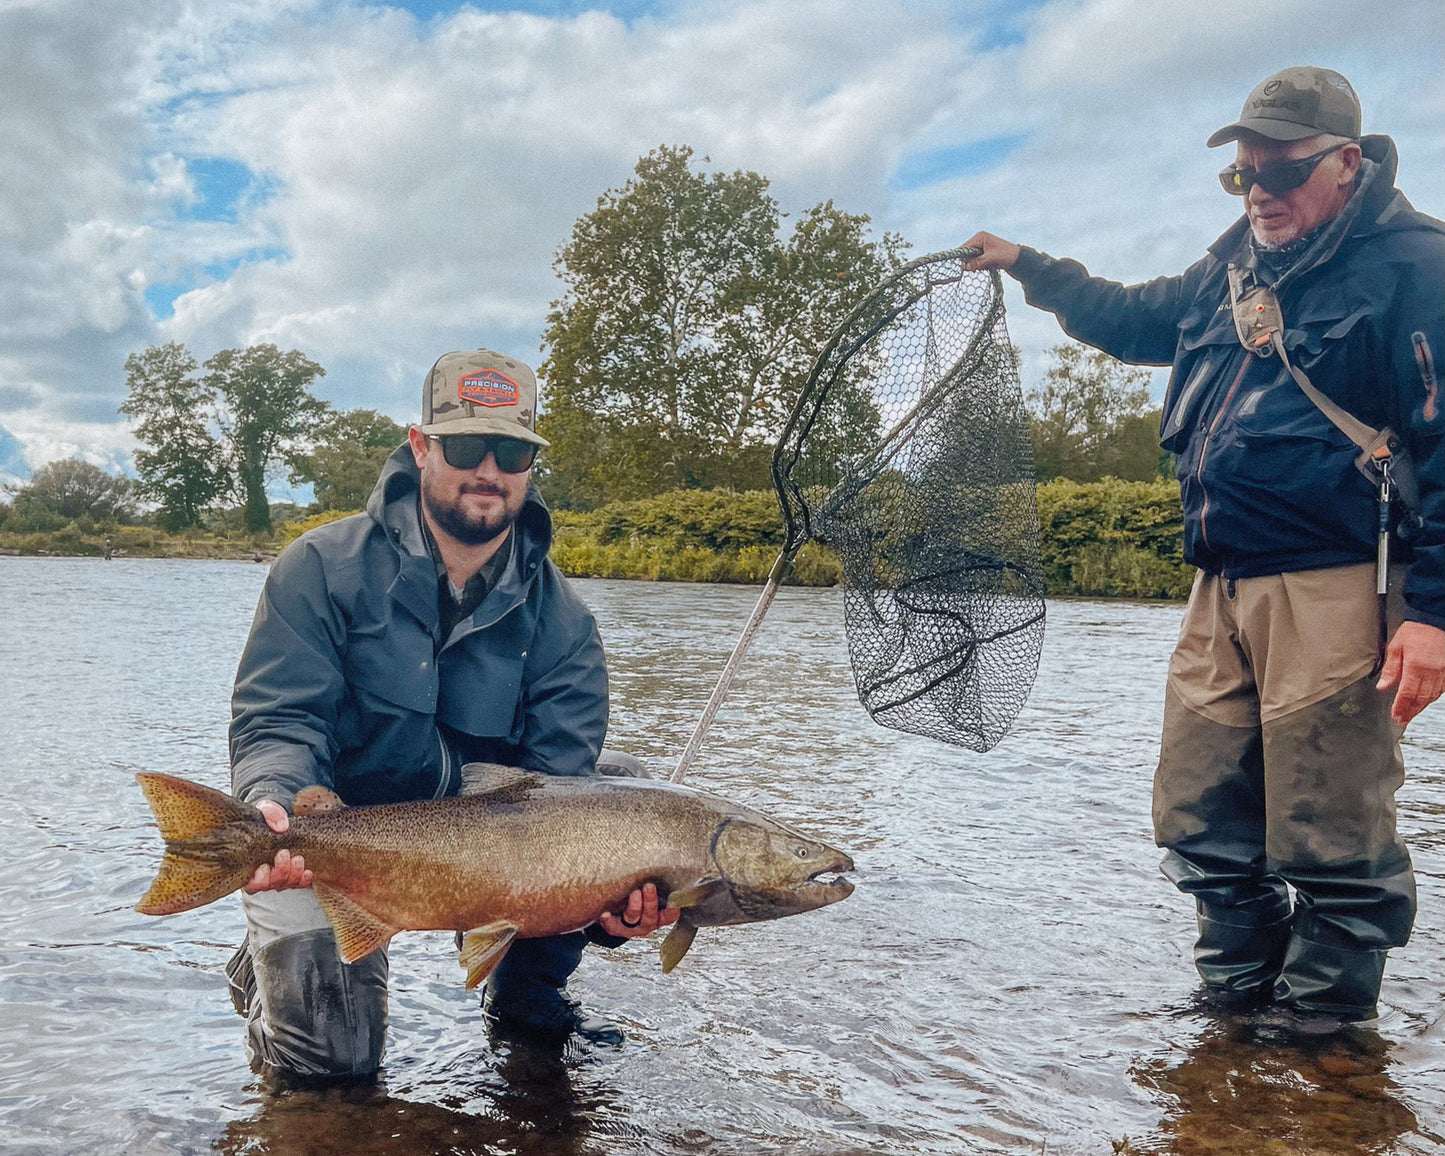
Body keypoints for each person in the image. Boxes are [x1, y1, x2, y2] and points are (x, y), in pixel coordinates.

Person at [963, 66, 1444, 1024]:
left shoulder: (1417, 268)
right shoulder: (1229, 270)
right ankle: (1231, 1020)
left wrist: (1431, 614)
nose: (1258, 194)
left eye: (1280, 171)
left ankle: (1317, 1042)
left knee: (1329, 830)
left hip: (1340, 582)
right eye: (1241, 177)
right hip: (1217, 585)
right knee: (1197, 814)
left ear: (1347, 162)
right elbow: (1132, 317)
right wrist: (1028, 264)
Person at [225, 348, 675, 1079]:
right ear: (420, 445)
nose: (488, 470)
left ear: (531, 463)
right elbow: (280, 718)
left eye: (512, 451)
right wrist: (272, 803)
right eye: (466, 445)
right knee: (331, 1071)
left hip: (491, 846)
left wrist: (610, 908)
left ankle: (526, 999)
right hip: (336, 836)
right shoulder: (319, 567)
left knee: (624, 793)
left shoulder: (565, 622)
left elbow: (559, 791)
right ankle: (267, 968)